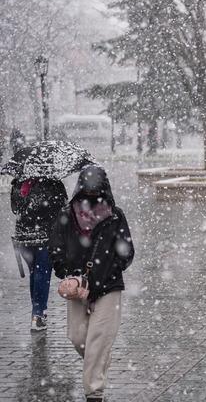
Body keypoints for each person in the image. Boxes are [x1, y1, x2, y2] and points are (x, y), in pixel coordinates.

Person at [49, 165, 134, 402]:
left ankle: (94, 392)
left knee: (99, 338)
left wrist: (104, 272)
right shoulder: (66, 215)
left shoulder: (115, 216)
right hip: (77, 288)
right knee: (78, 337)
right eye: (87, 194)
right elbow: (56, 248)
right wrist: (69, 274)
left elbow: (126, 252)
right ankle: (96, 362)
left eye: (94, 194)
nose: (90, 200)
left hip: (108, 286)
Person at [10, 176, 67, 331]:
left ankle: (37, 312)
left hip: (23, 237)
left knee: (35, 273)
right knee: (42, 273)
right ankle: (38, 314)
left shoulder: (18, 182)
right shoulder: (53, 183)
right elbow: (62, 208)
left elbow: (15, 209)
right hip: (44, 236)